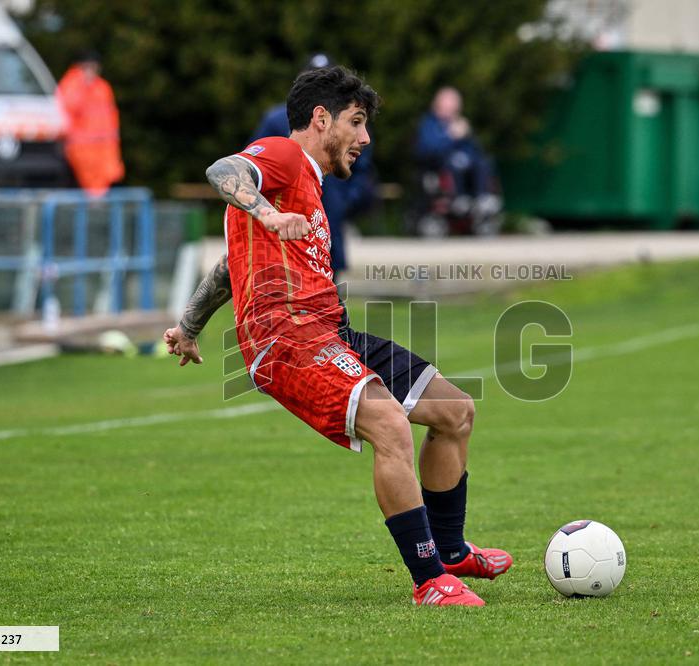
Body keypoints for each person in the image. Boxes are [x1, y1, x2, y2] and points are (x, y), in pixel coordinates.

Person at [162, 67, 512, 606]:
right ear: (321, 119)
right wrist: (270, 214)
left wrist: (188, 326)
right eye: (357, 121)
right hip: (287, 339)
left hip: (329, 329)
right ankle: (429, 581)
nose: (365, 138)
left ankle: (449, 551)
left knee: (454, 411)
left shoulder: (306, 184)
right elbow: (222, 170)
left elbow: (233, 265)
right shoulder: (284, 155)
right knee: (390, 424)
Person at [251, 54, 376, 277]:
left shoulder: (347, 127)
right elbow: (231, 168)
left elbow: (363, 171)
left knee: (327, 280)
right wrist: (267, 213)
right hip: (286, 239)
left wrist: (345, 201)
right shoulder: (278, 133)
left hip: (328, 220)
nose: (364, 138)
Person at [415, 87, 501, 219]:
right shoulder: (429, 124)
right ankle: (458, 198)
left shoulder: (459, 123)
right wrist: (451, 137)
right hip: (440, 164)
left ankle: (482, 198)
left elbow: (475, 150)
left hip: (465, 163)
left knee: (482, 162)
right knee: (455, 163)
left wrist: (466, 134)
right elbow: (427, 149)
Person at [56, 51, 125, 196]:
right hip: (82, 148)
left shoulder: (103, 87)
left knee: (107, 180)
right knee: (86, 187)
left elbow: (110, 115)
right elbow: (68, 108)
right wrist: (84, 86)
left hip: (105, 147)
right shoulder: (71, 84)